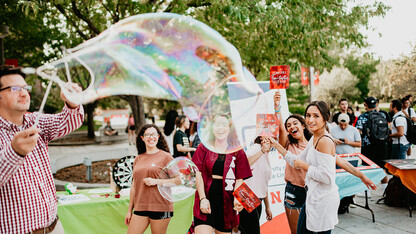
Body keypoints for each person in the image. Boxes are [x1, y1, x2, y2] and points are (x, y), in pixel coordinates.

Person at [273, 93, 375, 234]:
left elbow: (327, 177)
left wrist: (305, 166)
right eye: (308, 115)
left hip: (323, 200)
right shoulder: (315, 138)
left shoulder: (325, 141)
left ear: (325, 118)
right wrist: (275, 144)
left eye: (316, 116)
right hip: (312, 197)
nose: (310, 120)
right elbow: (296, 161)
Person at [0, 65, 84, 233]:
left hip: (54, 227)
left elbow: (68, 121)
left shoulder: (35, 121)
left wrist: (72, 103)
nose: (24, 93)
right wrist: (15, 152)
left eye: (26, 88)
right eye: (15, 89)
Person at [192, 115, 252, 234]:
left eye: (224, 124)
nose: (220, 128)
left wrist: (237, 199)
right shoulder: (203, 146)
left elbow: (240, 177)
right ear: (212, 128)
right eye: (217, 124)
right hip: (206, 197)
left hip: (227, 202)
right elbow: (197, 172)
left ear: (230, 128)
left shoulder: (237, 150)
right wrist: (203, 198)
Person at [125, 124, 180, 234]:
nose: (151, 137)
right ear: (142, 138)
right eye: (148, 135)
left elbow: (178, 180)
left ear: (158, 136)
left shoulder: (166, 157)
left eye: (154, 134)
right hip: (140, 207)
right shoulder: (138, 158)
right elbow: (134, 186)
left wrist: (157, 181)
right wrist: (129, 211)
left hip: (161, 206)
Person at [238, 136, 273, 234]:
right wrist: (261, 151)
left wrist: (267, 207)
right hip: (246, 194)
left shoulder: (265, 153)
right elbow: (243, 164)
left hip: (257, 199)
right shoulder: (256, 148)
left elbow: (263, 183)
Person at [356, 96, 388, 191]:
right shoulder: (383, 115)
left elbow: (358, 131)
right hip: (382, 145)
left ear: (365, 105)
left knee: (367, 169)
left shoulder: (363, 117)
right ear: (375, 104)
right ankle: (385, 190)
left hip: (368, 146)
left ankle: (368, 192)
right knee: (382, 169)